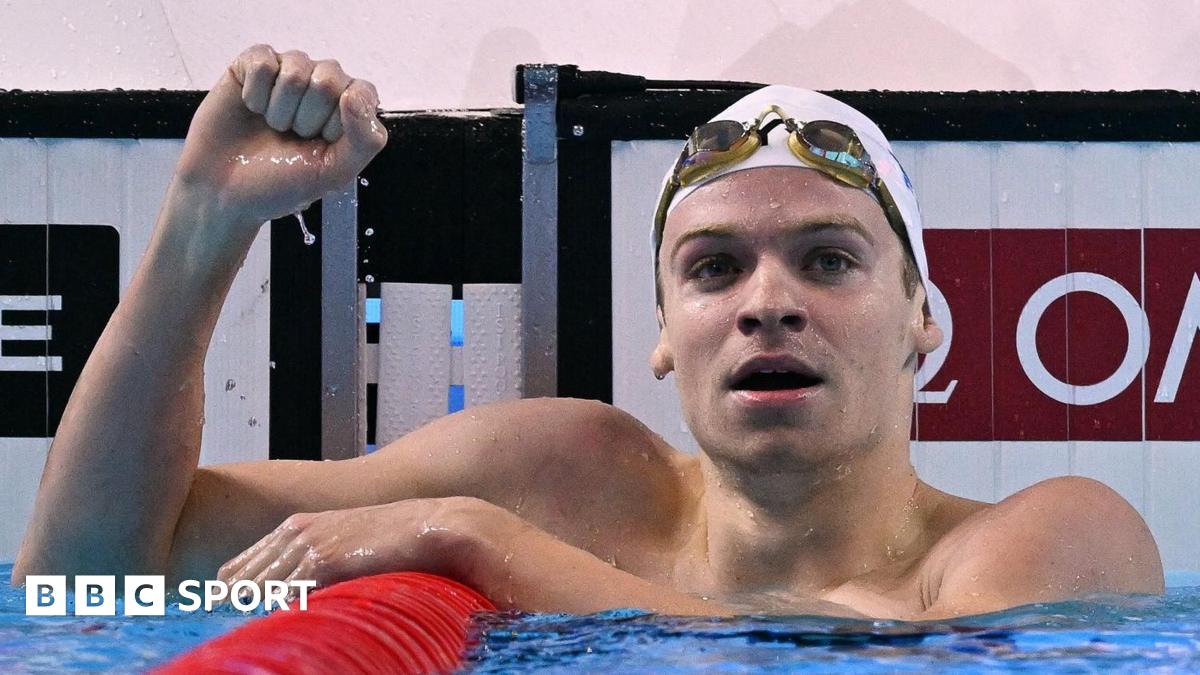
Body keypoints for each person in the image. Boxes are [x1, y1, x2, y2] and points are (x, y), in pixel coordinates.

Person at [11, 45, 1163, 619]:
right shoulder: (558, 478)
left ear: (926, 322)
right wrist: (203, 231)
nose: (767, 299)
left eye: (827, 258)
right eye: (714, 269)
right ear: (664, 334)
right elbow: (89, 581)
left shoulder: (1057, 542)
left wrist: (481, 546)